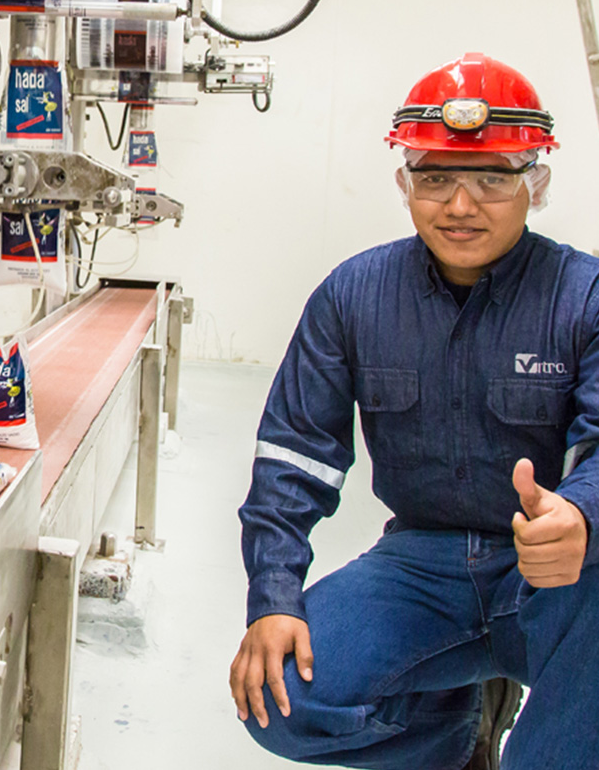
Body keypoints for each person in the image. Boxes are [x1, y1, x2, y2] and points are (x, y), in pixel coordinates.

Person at [230, 53, 599, 770]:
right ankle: (456, 739)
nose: (460, 205)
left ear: (536, 182)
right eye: (434, 177)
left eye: (492, 177)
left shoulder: (583, 297)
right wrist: (273, 598)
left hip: (556, 569)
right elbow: (292, 455)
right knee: (282, 701)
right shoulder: (354, 296)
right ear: (405, 182)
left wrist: (580, 514)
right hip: (421, 566)